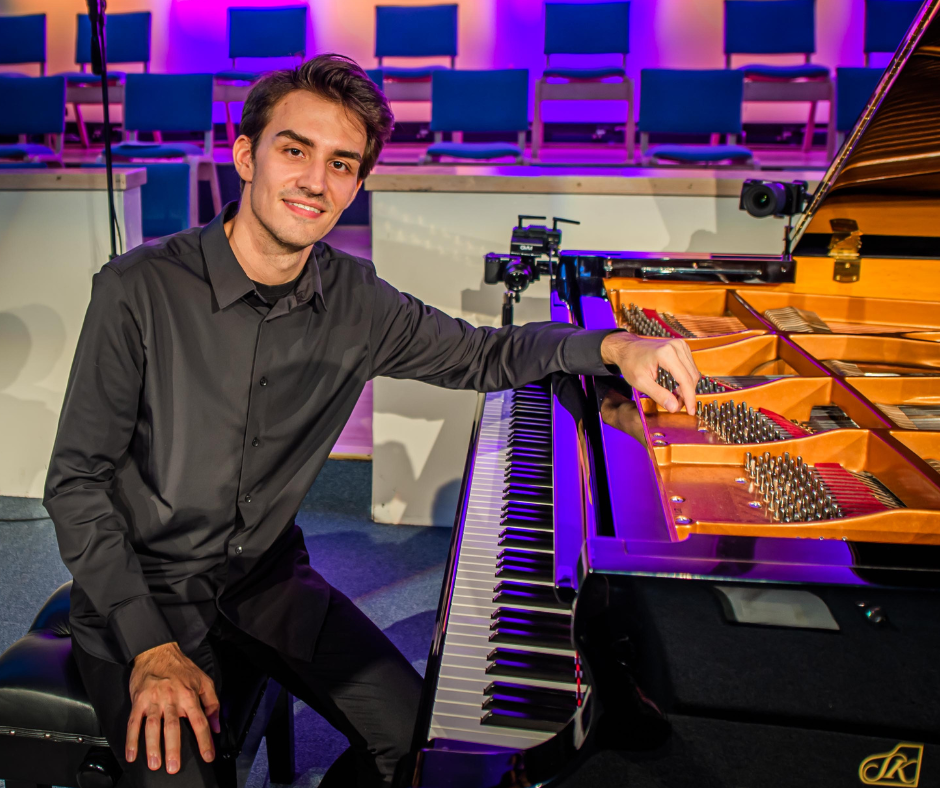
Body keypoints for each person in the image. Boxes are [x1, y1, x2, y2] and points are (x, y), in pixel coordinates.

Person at [44, 53, 701, 788]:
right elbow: (75, 485)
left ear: (358, 182)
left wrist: (613, 343)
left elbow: (483, 355)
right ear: (245, 156)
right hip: (147, 592)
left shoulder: (357, 302)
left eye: (342, 164)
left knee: (420, 754)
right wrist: (148, 646)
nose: (316, 182)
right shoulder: (138, 289)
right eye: (295, 150)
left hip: (266, 581)